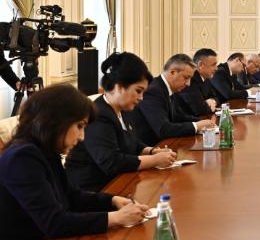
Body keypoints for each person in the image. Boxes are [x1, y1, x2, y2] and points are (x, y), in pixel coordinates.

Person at [0, 84, 148, 240]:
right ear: (56, 121)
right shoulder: (23, 157)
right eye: (79, 126)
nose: (82, 137)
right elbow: (54, 223)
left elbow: (71, 195)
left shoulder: (44, 150)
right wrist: (116, 218)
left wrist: (113, 201)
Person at [65, 52, 177, 191]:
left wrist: (152, 151)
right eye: (138, 91)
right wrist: (155, 160)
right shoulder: (98, 115)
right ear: (119, 87)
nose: (141, 98)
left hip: (118, 182)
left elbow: (133, 143)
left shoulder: (124, 110)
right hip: (94, 190)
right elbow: (111, 162)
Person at [129, 54, 215, 147]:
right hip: (151, 147)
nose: (188, 84)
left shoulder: (169, 87)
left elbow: (178, 116)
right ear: (172, 72)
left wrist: (204, 122)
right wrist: (196, 126)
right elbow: (163, 129)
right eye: (186, 78)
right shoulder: (154, 91)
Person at [176, 48, 219, 116]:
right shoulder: (190, 79)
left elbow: (217, 97)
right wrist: (207, 104)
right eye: (213, 65)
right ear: (201, 65)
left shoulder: (207, 78)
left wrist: (212, 101)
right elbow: (200, 109)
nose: (216, 68)